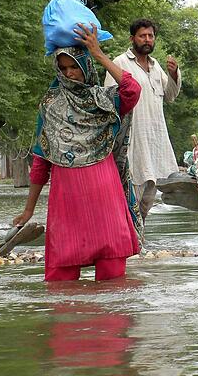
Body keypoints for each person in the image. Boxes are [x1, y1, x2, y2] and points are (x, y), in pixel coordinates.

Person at [13, 23, 142, 282]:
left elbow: (132, 90)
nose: (70, 73)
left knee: (112, 279)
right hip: (66, 197)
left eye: (74, 66)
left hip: (105, 194)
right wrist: (28, 210)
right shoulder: (50, 105)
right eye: (63, 68)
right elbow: (41, 159)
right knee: (61, 276)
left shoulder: (103, 99)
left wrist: (99, 54)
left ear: (85, 66)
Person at [104, 19, 182, 221]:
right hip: (132, 140)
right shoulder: (120, 63)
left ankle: (139, 242)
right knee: (130, 195)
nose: (147, 40)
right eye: (142, 36)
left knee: (148, 198)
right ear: (132, 39)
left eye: (150, 36)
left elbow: (171, 95)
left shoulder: (155, 67)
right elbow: (109, 100)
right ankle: (127, 242)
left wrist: (174, 74)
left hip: (155, 139)